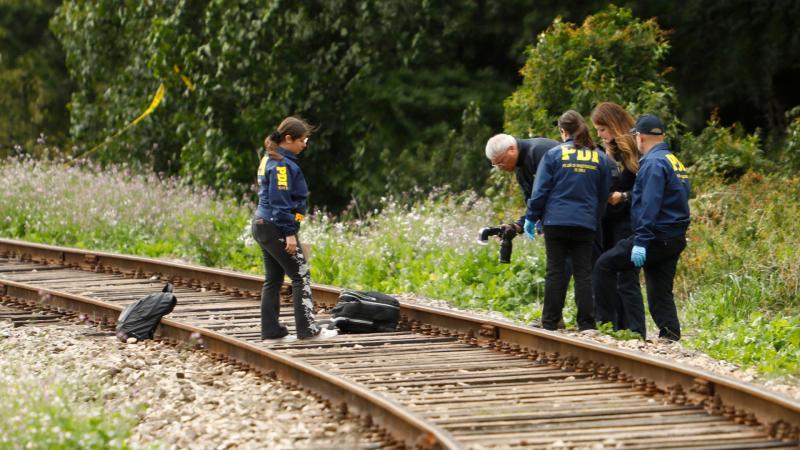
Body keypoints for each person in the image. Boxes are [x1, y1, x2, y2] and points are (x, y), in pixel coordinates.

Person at [593, 114, 690, 340]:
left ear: (639, 137)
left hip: (655, 237)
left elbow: (649, 204)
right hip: (674, 237)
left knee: (604, 265)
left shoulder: (653, 163)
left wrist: (641, 241)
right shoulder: (673, 160)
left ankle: (603, 326)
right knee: (659, 291)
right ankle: (669, 335)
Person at [523, 110, 612, 331]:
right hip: (585, 223)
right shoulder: (599, 157)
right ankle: (586, 323)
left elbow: (541, 190)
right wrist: (594, 216)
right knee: (584, 273)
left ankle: (551, 320)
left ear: (563, 131)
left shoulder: (553, 155)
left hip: (556, 222)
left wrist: (531, 217)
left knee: (555, 271)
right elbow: (604, 193)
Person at [252, 116, 337, 342]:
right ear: (288, 139)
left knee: (273, 279)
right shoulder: (281, 165)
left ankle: (271, 331)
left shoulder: (269, 158)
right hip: (276, 227)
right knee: (301, 275)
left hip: (262, 224)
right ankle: (308, 331)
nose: (304, 145)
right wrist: (289, 233)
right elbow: (281, 201)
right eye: (303, 140)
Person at [590, 102, 643, 333]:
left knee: (626, 275)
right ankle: (617, 326)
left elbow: (645, 190)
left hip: (629, 219)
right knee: (608, 272)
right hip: (607, 221)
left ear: (613, 125)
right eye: (597, 131)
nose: (600, 135)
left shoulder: (633, 151)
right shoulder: (604, 151)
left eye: (603, 129)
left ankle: (635, 329)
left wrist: (623, 196)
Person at [484, 133, 560, 235]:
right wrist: (516, 226)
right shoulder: (521, 170)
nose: (500, 168)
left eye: (501, 162)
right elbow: (534, 206)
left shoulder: (539, 152)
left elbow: (553, 195)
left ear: (511, 149)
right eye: (496, 165)